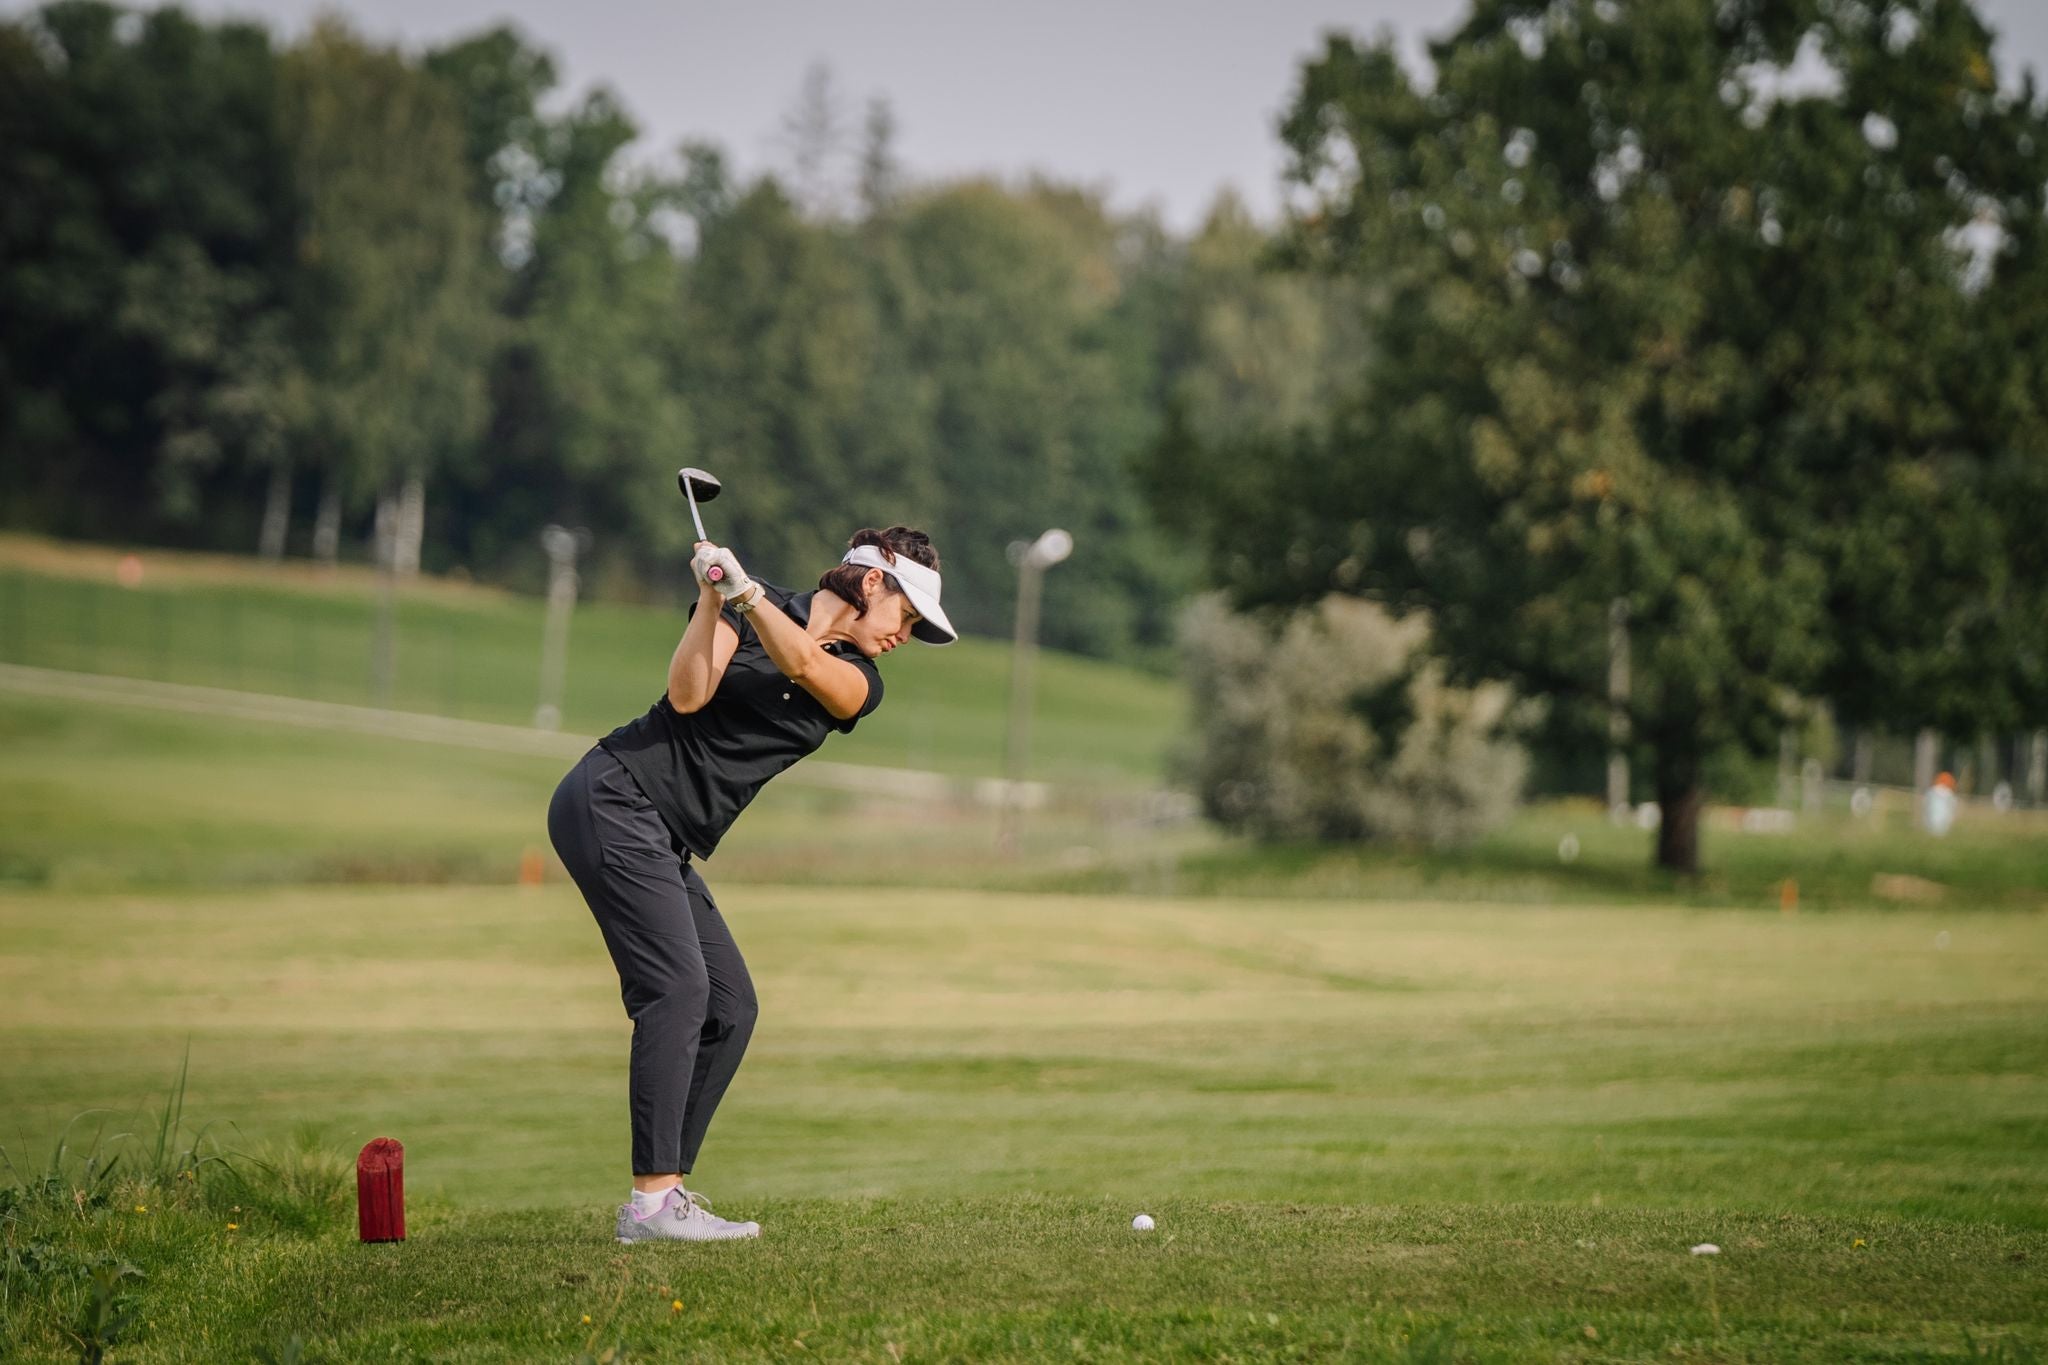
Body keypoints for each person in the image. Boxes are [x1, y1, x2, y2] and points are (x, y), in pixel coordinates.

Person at [547, 527, 955, 1242]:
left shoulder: (861, 680)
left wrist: (746, 593)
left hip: (663, 834)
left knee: (730, 1007)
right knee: (677, 988)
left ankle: (666, 1190)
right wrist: (712, 601)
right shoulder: (741, 608)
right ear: (870, 583)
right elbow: (686, 694)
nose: (906, 636)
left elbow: (803, 661)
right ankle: (651, 1203)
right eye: (907, 616)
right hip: (614, 796)